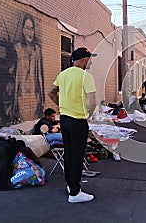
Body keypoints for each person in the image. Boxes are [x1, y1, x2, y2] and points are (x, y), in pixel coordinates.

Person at [48, 47, 97, 203]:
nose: (90, 62)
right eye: (89, 59)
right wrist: (88, 114)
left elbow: (51, 92)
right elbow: (92, 102)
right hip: (78, 120)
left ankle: (70, 185)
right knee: (77, 156)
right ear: (83, 60)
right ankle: (75, 194)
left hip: (65, 119)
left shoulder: (63, 74)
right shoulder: (85, 76)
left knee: (69, 154)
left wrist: (61, 105)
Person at [13, 14, 45, 122]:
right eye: (27, 28)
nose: (30, 32)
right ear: (22, 29)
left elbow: (39, 75)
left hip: (35, 96)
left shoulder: (37, 49)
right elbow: (16, 75)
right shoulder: (17, 47)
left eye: (32, 29)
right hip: (22, 96)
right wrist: (15, 101)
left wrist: (42, 98)